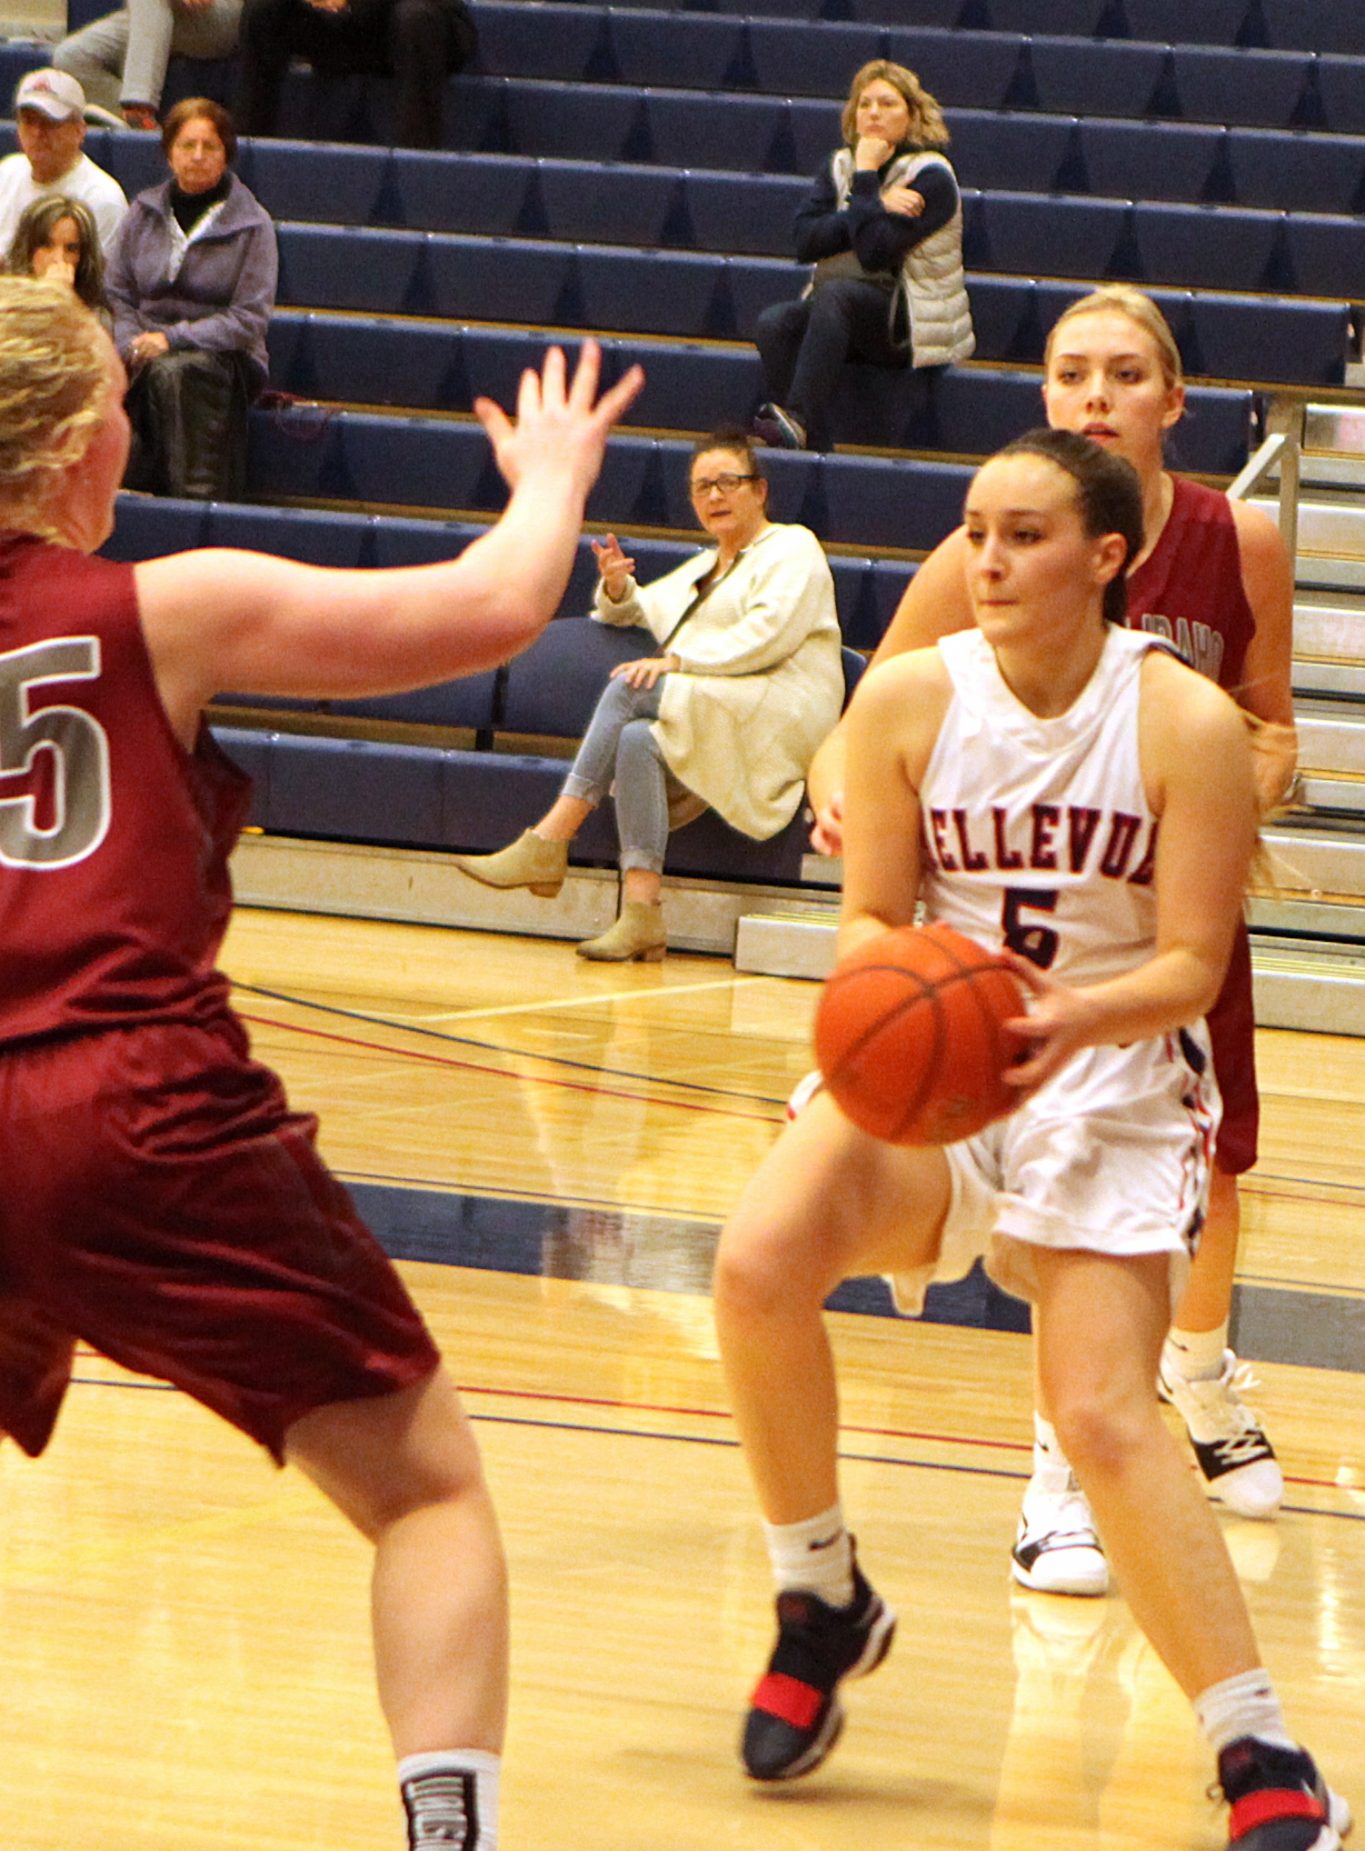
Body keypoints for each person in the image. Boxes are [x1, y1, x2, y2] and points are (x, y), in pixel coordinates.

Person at [0, 273, 642, 1851]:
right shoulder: (161, 605)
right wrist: (556, 475)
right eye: (120, 413)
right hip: (126, 1093)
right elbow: (498, 606)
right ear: (73, 446)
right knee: (425, 1482)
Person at [712, 427, 1348, 1851]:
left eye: (1023, 537)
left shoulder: (1179, 721)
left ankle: (1254, 1745)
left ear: (1105, 556)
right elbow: (871, 923)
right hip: (957, 1071)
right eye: (975, 532)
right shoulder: (907, 704)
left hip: (1114, 1081)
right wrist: (928, 990)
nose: (986, 562)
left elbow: (1192, 964)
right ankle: (820, 1599)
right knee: (754, 1264)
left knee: (1103, 1411)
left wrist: (1060, 1011)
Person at [806, 286, 1297, 1595]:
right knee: (1045, 1205)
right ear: (1043, 395)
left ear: (1171, 400)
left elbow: (1271, 720)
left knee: (1217, 1180)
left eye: (1124, 373)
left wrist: (1243, 774)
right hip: (1016, 933)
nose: (1094, 394)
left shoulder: (1235, 534)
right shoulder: (989, 554)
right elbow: (873, 712)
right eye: (1072, 371)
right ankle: (1058, 1468)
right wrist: (833, 779)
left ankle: (1200, 1375)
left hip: (1163, 908)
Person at [452, 430, 845, 962]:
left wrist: (677, 663)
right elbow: (642, 609)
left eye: (728, 482)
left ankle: (550, 839)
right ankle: (642, 914)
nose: (713, 496)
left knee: (631, 686)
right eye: (702, 486)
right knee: (638, 739)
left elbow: (768, 634)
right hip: (730, 699)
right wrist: (617, 587)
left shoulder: (793, 546)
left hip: (784, 706)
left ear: (760, 491)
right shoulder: (709, 567)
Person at [751, 59, 973, 454]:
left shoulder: (932, 177)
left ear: (912, 114)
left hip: (909, 324)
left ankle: (798, 418)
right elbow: (805, 240)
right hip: (845, 318)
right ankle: (810, 442)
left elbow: (873, 252)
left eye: (887, 104)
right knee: (773, 323)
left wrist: (867, 176)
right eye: (864, 103)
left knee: (837, 294)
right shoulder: (839, 166)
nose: (873, 113)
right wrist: (877, 202)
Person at [106, 98, 275, 501]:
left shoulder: (254, 225)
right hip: (141, 347)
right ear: (168, 153)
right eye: (187, 145)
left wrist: (174, 339)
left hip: (222, 357)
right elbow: (117, 293)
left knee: (174, 374)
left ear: (226, 154)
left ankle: (192, 503)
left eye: (210, 147)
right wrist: (131, 343)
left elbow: (249, 318)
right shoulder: (141, 213)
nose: (198, 157)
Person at [235, 0, 476, 151]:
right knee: (261, 8)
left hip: (406, 23)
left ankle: (417, 159)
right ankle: (249, 146)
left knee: (417, 16)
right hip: (336, 27)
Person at [55, 0, 243, 133]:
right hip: (153, 13)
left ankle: (139, 104)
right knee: (71, 57)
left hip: (223, 14)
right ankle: (142, 126)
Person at [0, 68, 128, 259]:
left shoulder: (103, 198)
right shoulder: (7, 171)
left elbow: (92, 284)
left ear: (79, 130)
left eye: (49, 122)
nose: (37, 133)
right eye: (28, 121)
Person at [6, 194, 109, 319]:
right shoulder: (5, 305)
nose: (59, 259)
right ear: (28, 248)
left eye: (71, 249)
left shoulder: (97, 317)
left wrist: (63, 301)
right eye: (47, 245)